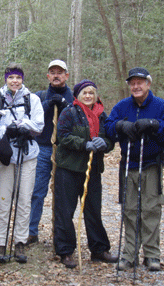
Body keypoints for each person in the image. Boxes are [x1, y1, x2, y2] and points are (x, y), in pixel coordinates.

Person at [104, 67, 164, 271]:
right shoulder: (122, 107)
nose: (136, 86)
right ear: (129, 86)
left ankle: (152, 255)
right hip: (128, 165)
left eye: (140, 82)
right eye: (133, 83)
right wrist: (121, 126)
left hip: (151, 165)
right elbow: (109, 128)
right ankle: (129, 254)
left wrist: (155, 125)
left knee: (150, 209)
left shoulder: (161, 106)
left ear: (148, 84)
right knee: (129, 210)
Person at [53, 79, 118, 269]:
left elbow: (110, 138)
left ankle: (99, 250)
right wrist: (84, 144)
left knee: (93, 211)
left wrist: (104, 144)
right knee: (65, 211)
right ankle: (65, 251)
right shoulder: (69, 112)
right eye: (85, 93)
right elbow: (63, 136)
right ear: (78, 95)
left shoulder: (102, 115)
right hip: (69, 170)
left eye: (91, 93)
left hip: (92, 170)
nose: (88, 96)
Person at [0, 63, 44, 264]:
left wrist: (22, 126)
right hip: (5, 155)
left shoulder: (32, 99)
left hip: (27, 154)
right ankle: (1, 243)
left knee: (24, 199)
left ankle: (20, 241)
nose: (15, 81)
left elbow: (39, 125)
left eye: (18, 77)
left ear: (22, 79)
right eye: (11, 77)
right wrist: (7, 130)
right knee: (3, 200)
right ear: (5, 79)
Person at [27, 60, 74, 245]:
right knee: (37, 191)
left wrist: (64, 105)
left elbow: (77, 118)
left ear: (66, 76)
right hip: (42, 149)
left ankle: (60, 233)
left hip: (65, 150)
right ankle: (31, 231)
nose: (56, 75)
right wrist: (48, 104)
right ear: (48, 76)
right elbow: (31, 119)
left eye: (60, 72)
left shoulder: (74, 96)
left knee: (62, 194)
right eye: (52, 72)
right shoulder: (38, 97)